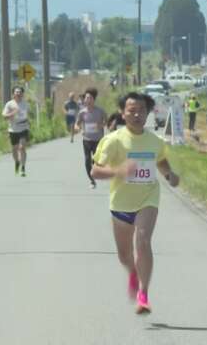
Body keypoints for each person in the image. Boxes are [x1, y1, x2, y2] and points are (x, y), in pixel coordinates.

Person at [91, 92, 180, 315]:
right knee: (124, 255)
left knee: (142, 241)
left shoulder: (154, 141)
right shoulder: (113, 140)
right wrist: (118, 171)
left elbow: (160, 160)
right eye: (131, 110)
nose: (137, 114)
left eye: (141, 110)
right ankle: (132, 271)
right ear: (123, 113)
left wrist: (169, 175)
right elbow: (95, 171)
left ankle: (143, 294)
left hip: (147, 198)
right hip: (121, 203)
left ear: (147, 113)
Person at [75, 88, 107, 189]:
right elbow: (77, 123)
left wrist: (101, 125)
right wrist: (78, 128)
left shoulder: (100, 111)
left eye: (90, 98)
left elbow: (106, 121)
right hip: (87, 139)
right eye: (86, 98)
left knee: (95, 161)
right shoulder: (82, 112)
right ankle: (92, 180)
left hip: (98, 140)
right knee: (87, 160)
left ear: (94, 99)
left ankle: (95, 172)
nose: (87, 100)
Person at [2, 86, 30, 177]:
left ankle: (23, 168)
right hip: (13, 129)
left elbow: (29, 114)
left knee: (22, 148)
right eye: (16, 92)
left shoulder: (26, 104)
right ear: (13, 94)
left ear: (22, 94)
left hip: (24, 128)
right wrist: (13, 113)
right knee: (14, 149)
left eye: (20, 92)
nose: (18, 93)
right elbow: (4, 116)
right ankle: (17, 162)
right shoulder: (9, 104)